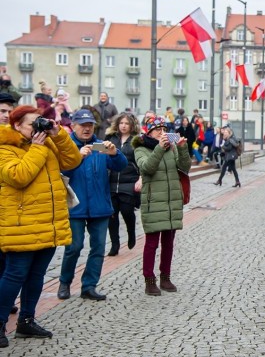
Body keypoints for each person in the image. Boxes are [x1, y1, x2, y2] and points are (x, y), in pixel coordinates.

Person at [0, 106, 82, 348]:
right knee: (14, 275)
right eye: (32, 124)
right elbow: (18, 176)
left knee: (37, 275)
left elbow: (72, 160)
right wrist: (36, 148)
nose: (37, 128)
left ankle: (26, 320)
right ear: (16, 126)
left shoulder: (47, 143)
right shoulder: (5, 148)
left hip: (48, 222)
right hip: (21, 225)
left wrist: (58, 135)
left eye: (40, 122)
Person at [57, 109, 127, 301]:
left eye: (90, 125)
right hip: (75, 207)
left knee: (98, 248)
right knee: (74, 247)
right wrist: (77, 157)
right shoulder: (67, 146)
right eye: (83, 125)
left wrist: (114, 153)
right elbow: (59, 172)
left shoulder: (100, 146)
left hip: (99, 206)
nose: (87, 129)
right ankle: (64, 282)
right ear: (73, 125)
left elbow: (121, 165)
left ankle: (89, 286)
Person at [132, 116, 191, 296]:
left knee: (169, 243)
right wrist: (160, 147)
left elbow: (185, 167)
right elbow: (147, 168)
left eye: (164, 128)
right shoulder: (140, 148)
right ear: (148, 131)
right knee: (151, 244)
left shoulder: (171, 148)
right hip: (153, 202)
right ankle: (149, 280)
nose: (162, 132)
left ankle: (166, 277)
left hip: (171, 200)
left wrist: (182, 149)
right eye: (157, 129)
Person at [105, 113, 141, 256]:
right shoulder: (110, 139)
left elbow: (140, 161)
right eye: (121, 123)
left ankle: (131, 233)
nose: (124, 126)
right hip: (112, 182)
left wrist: (140, 178)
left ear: (131, 125)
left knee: (127, 211)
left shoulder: (137, 141)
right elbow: (100, 155)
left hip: (129, 182)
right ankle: (115, 244)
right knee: (112, 215)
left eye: (126, 123)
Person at [0, 92, 18, 316]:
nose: (6, 115)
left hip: (10, 206)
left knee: (6, 259)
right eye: (2, 111)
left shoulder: (16, 137)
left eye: (9, 112)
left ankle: (5, 300)